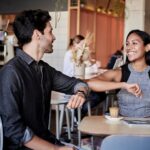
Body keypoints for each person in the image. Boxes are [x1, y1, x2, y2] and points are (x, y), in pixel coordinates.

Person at [0, 9, 90, 150]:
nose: (53, 37)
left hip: (47, 140)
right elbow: (14, 130)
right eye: (50, 32)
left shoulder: (44, 69)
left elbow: (79, 84)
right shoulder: (10, 73)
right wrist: (56, 149)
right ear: (37, 34)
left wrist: (80, 93)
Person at [87, 29, 150, 118]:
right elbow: (91, 83)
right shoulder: (120, 72)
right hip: (123, 127)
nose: (129, 47)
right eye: (127, 44)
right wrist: (123, 85)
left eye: (134, 43)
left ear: (147, 47)